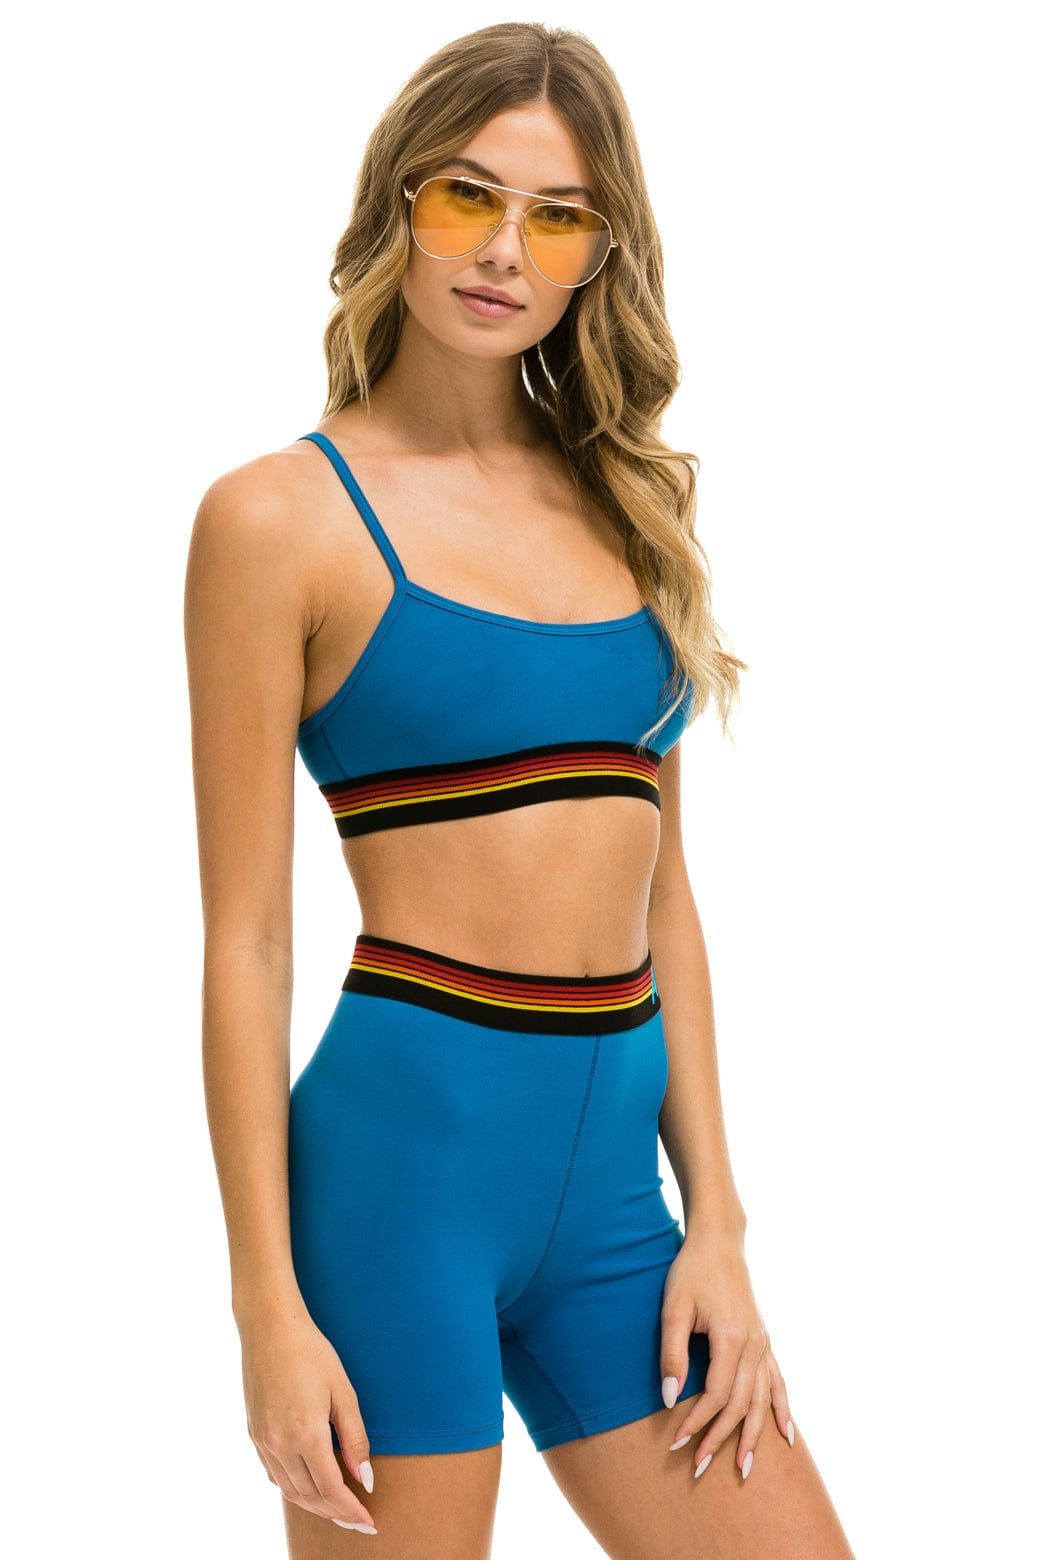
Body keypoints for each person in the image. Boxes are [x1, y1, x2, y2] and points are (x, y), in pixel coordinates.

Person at [184, 21, 856, 1558]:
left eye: (557, 217)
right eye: (466, 197)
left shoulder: (628, 510)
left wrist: (721, 1226)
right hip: (393, 1197)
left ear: (598, 258)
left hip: (620, 1214)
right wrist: (266, 1310)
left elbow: (667, 901)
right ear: (397, 204)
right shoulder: (277, 521)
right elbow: (248, 942)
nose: (503, 251)